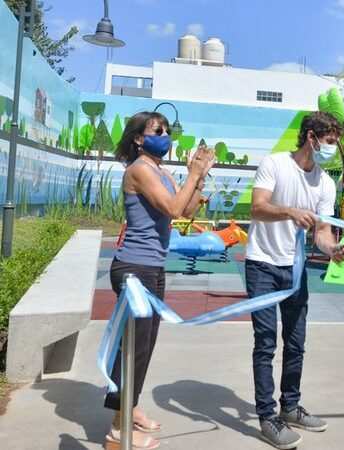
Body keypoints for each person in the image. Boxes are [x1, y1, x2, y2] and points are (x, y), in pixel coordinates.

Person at [106, 111, 215, 450]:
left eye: (167, 130)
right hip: (134, 269)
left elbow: (186, 212)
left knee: (143, 348)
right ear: (139, 138)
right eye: (157, 130)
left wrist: (198, 179)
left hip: (152, 268)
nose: (165, 135)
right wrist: (192, 174)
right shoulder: (139, 170)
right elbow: (171, 207)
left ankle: (129, 409)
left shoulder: (162, 171)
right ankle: (117, 429)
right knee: (134, 349)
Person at [247, 111, 344, 449]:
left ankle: (289, 406)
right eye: (330, 142)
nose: (332, 149)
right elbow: (258, 208)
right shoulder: (275, 164)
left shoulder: (326, 183)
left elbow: (322, 232)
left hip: (294, 269)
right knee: (265, 343)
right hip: (261, 263)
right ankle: (267, 417)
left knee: (296, 342)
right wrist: (289, 211)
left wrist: (332, 249)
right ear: (311, 137)